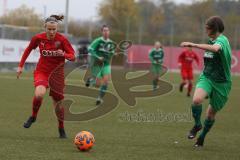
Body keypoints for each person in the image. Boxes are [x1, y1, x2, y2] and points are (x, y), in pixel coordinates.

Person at [17, 15, 76, 138]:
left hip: (57, 75)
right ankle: (33, 116)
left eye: (54, 29)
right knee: (39, 94)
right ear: (45, 28)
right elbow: (28, 50)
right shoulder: (38, 38)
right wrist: (21, 66)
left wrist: (64, 54)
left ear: (57, 28)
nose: (52, 32)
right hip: (42, 71)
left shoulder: (63, 40)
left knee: (58, 104)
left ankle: (61, 128)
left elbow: (73, 56)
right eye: (49, 29)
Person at [180, 16, 232, 147]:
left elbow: (215, 49)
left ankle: (202, 137)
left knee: (210, 114)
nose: (205, 30)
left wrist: (194, 45)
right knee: (196, 100)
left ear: (214, 28)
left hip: (222, 83)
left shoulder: (222, 40)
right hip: (207, 77)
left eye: (207, 28)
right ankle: (197, 125)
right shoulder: (211, 40)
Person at [85, 25, 115, 105]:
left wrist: (110, 55)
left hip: (106, 65)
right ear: (102, 32)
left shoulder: (111, 43)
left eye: (107, 30)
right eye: (104, 30)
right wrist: (98, 57)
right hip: (97, 64)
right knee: (97, 85)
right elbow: (90, 49)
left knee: (105, 81)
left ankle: (99, 98)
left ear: (109, 32)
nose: (106, 32)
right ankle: (90, 80)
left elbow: (112, 53)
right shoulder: (97, 41)